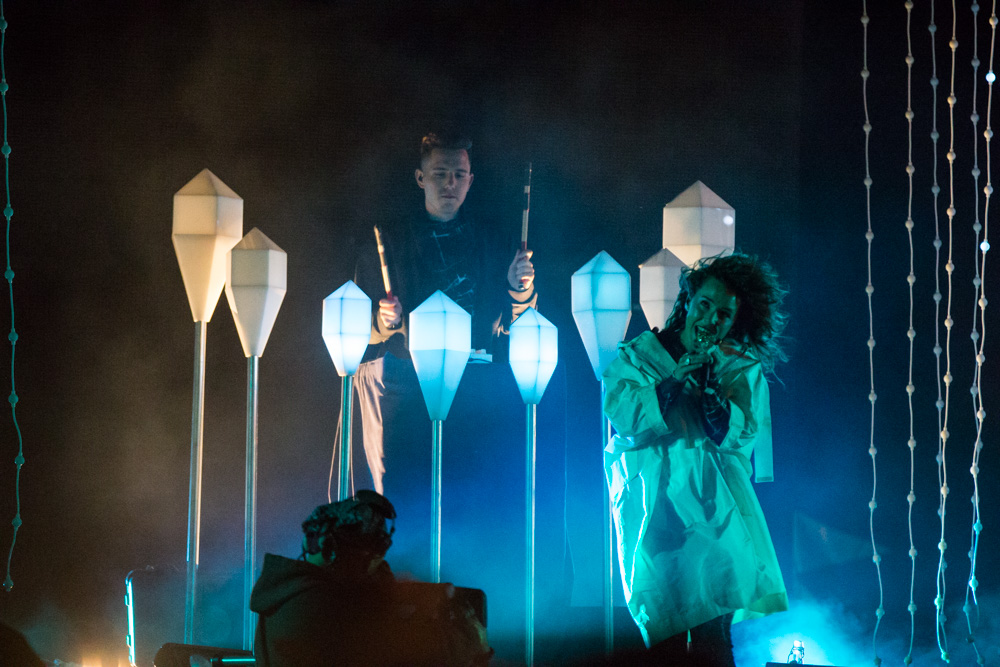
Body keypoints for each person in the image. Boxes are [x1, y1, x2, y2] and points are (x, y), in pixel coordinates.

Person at [602, 252, 789, 666]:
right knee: (667, 631)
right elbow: (624, 416)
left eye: (724, 314)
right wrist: (673, 382)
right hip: (658, 513)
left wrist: (710, 396)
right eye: (705, 305)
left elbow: (740, 434)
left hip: (715, 513)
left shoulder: (738, 367)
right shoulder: (639, 355)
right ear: (688, 301)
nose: (711, 320)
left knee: (714, 636)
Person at [250, 490, 491, 666]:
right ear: (337, 551)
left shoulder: (287, 594)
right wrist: (468, 634)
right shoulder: (326, 608)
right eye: (371, 557)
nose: (376, 565)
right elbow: (416, 653)